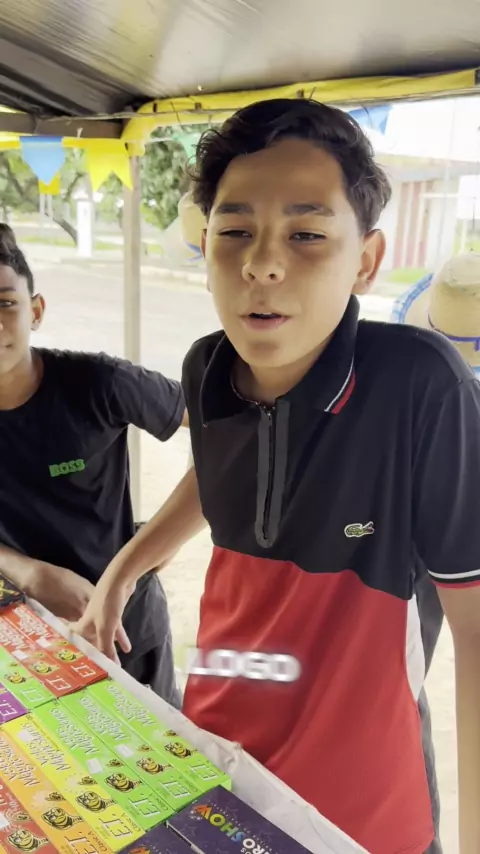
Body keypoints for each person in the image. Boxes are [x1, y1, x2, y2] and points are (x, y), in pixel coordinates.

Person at [73, 99, 480, 854]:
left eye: (306, 234)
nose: (261, 263)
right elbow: (221, 470)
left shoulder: (418, 384)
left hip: (360, 807)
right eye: (235, 232)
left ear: (367, 259)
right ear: (206, 246)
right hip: (217, 758)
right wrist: (124, 571)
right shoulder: (206, 364)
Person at [0, 224, 186, 707]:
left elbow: (225, 430)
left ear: (35, 310)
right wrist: (28, 572)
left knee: (161, 745)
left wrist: (158, 541)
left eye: (5, 304)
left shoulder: (98, 382)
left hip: (127, 627)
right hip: (24, 636)